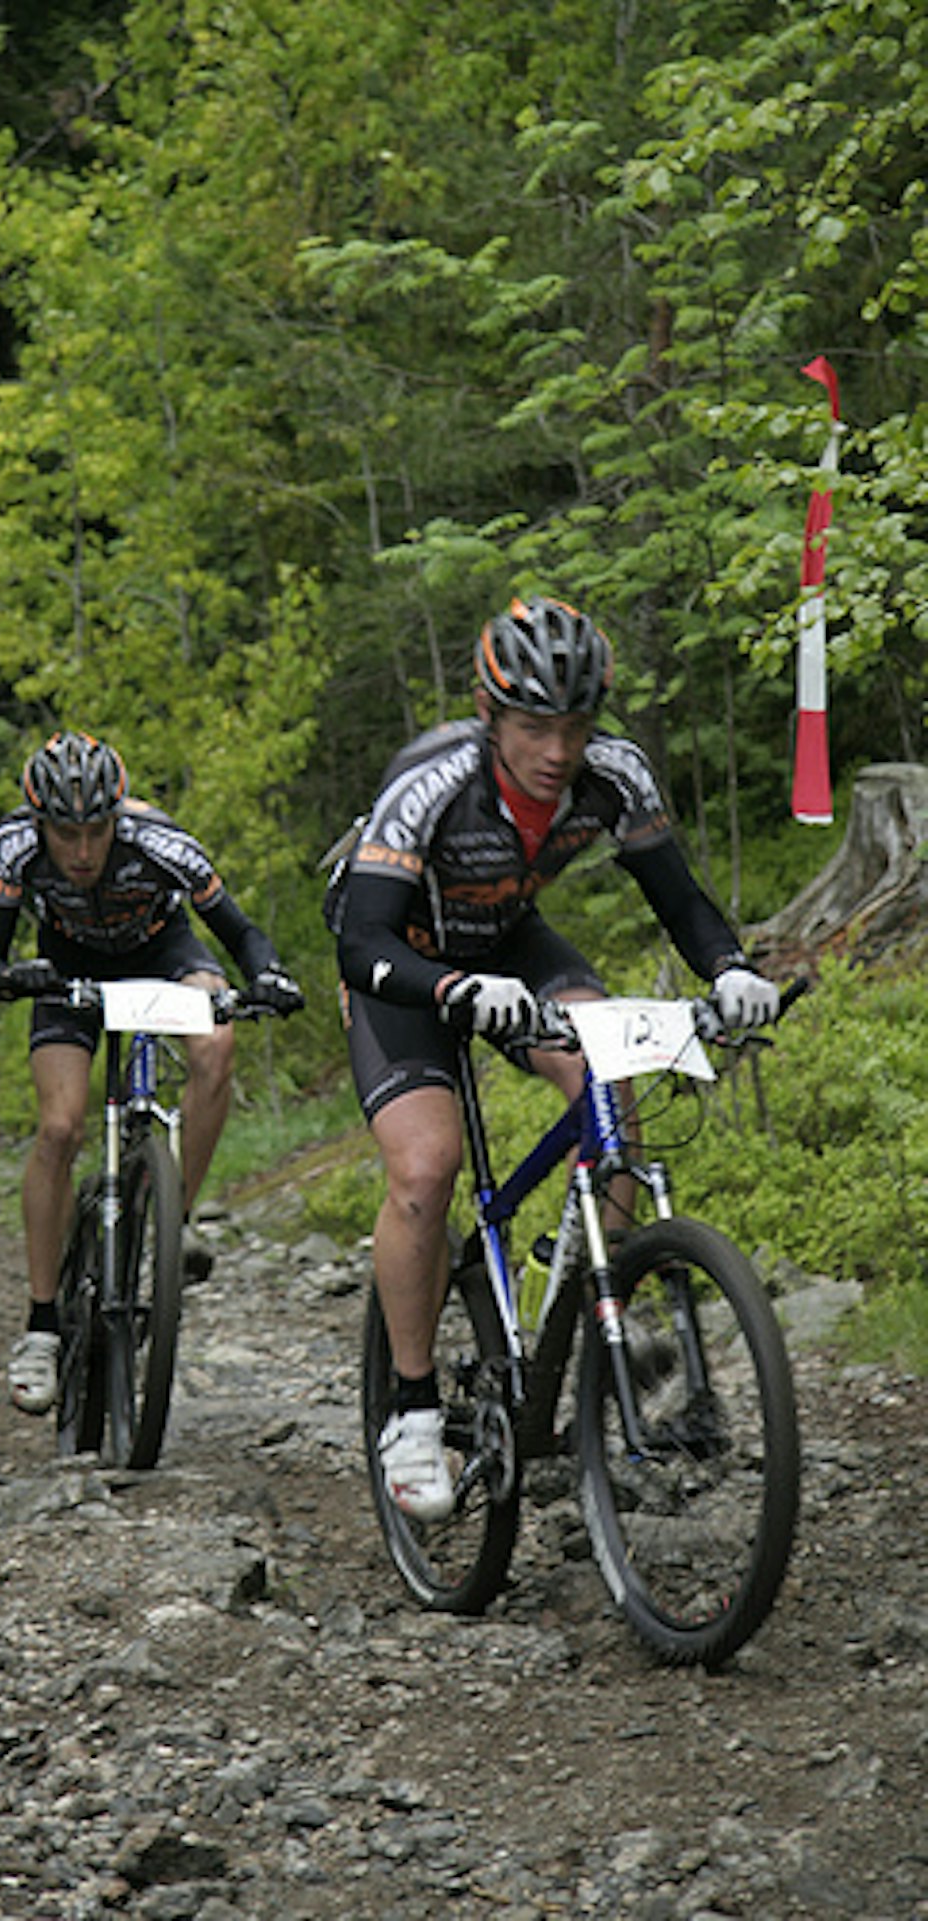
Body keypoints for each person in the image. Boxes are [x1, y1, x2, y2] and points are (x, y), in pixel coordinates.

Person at [330, 596, 779, 1522]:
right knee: (426, 1169)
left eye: (575, 726)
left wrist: (731, 968)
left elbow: (680, 900)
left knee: (611, 1081)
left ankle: (587, 1312)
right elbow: (361, 937)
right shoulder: (432, 784)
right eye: (535, 727)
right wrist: (450, 987)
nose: (558, 750)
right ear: (490, 715)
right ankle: (412, 1409)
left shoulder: (615, 775)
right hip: (402, 960)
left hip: (508, 939)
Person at [0, 729, 304, 1416]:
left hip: (161, 953)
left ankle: (176, 1219)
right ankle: (40, 1325)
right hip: (65, 966)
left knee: (215, 1045)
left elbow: (240, 932)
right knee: (59, 1128)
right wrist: (9, 979)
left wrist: (268, 975)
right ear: (40, 824)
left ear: (117, 817)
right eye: (66, 834)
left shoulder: (162, 843)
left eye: (97, 831)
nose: (83, 851)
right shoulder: (13, 847)